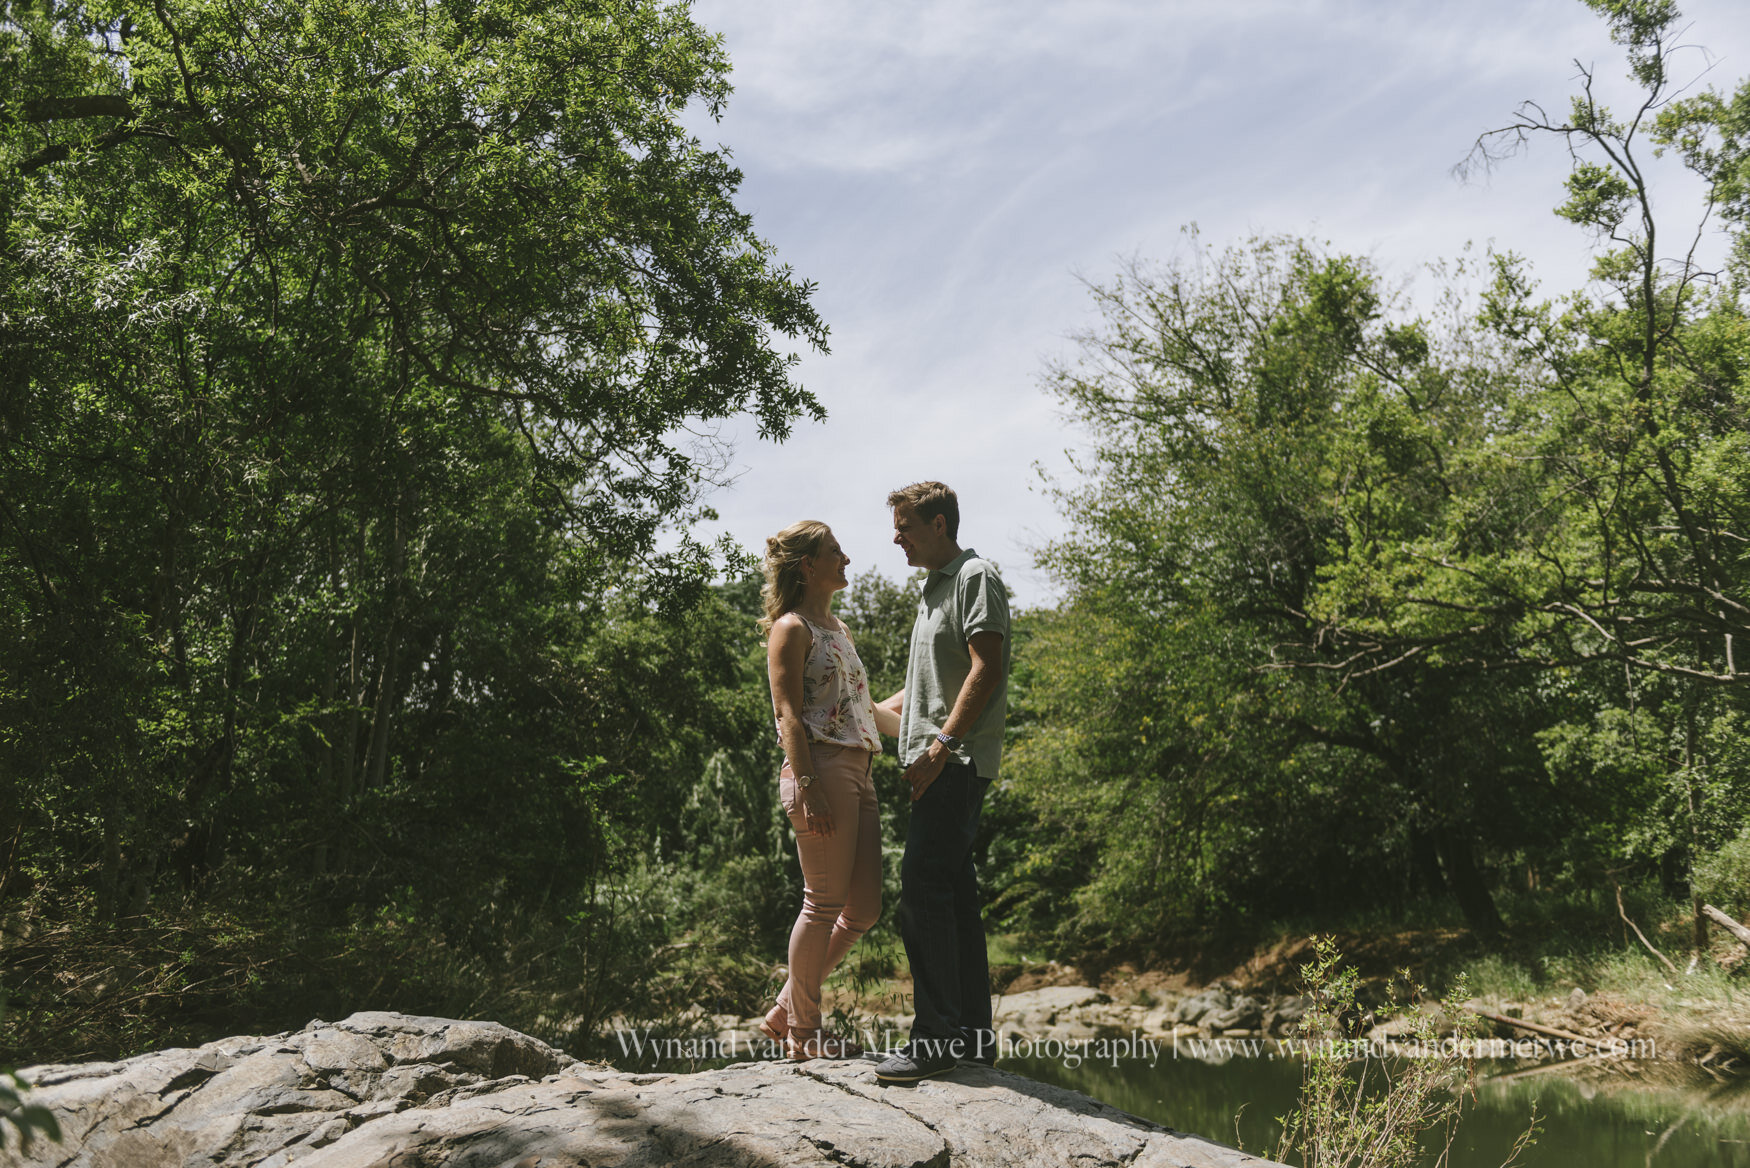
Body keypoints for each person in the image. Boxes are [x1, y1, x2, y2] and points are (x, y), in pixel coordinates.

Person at [871, 482, 1010, 1083]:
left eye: (904, 525)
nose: (895, 536)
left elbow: (988, 666)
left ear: (938, 522)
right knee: (954, 897)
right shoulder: (933, 590)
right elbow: (924, 690)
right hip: (937, 763)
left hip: (953, 764)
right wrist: (856, 707)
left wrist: (942, 745)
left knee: (921, 892)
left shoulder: (974, 576)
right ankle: (974, 1039)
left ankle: (934, 1041)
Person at [759, 520, 899, 1060]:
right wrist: (809, 784)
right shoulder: (791, 629)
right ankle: (804, 1032)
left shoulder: (838, 629)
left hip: (860, 771)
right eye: (835, 553)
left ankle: (783, 1011)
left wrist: (938, 684)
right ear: (807, 566)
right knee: (822, 905)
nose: (847, 559)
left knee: (863, 908)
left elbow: (869, 713)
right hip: (819, 770)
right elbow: (787, 714)